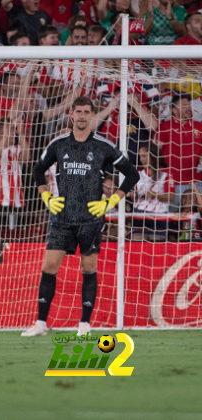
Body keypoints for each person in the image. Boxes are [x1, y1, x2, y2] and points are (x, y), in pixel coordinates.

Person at [22, 96, 140, 337]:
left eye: (87, 112)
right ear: (72, 115)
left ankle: (84, 325)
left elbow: (131, 175)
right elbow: (37, 170)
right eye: (79, 112)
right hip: (62, 217)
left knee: (88, 268)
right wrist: (46, 197)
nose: (83, 116)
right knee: (49, 266)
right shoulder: (58, 144)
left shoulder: (103, 145)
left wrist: (111, 201)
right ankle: (41, 325)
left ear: (92, 115)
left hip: (91, 219)